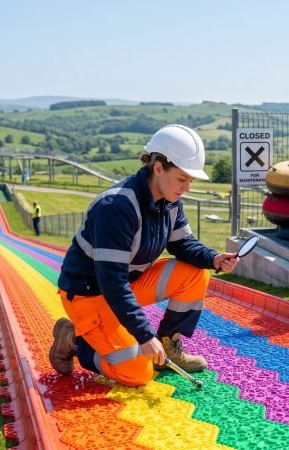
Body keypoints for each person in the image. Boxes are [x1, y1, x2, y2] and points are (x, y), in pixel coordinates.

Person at [50, 124, 241, 387]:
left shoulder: (170, 201)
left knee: (195, 273)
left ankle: (168, 344)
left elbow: (183, 244)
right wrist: (143, 335)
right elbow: (112, 282)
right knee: (139, 373)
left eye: (190, 181)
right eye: (182, 179)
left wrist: (213, 258)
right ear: (158, 167)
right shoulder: (116, 207)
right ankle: (74, 340)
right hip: (90, 295)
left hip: (124, 286)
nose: (186, 188)